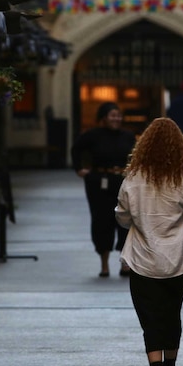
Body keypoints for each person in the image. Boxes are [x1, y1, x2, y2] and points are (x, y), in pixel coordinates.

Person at [115, 117, 183, 366]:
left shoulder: (133, 180)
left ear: (144, 146)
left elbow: (122, 216)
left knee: (150, 321)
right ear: (178, 148)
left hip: (143, 261)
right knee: (171, 315)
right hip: (177, 260)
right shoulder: (181, 180)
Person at [71, 102, 137, 277]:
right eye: (112, 115)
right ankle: (104, 264)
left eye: (118, 115)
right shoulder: (93, 135)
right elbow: (76, 149)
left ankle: (125, 264)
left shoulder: (128, 136)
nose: (116, 119)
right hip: (98, 182)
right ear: (104, 118)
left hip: (123, 182)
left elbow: (137, 156)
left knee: (125, 221)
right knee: (101, 221)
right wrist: (79, 169)